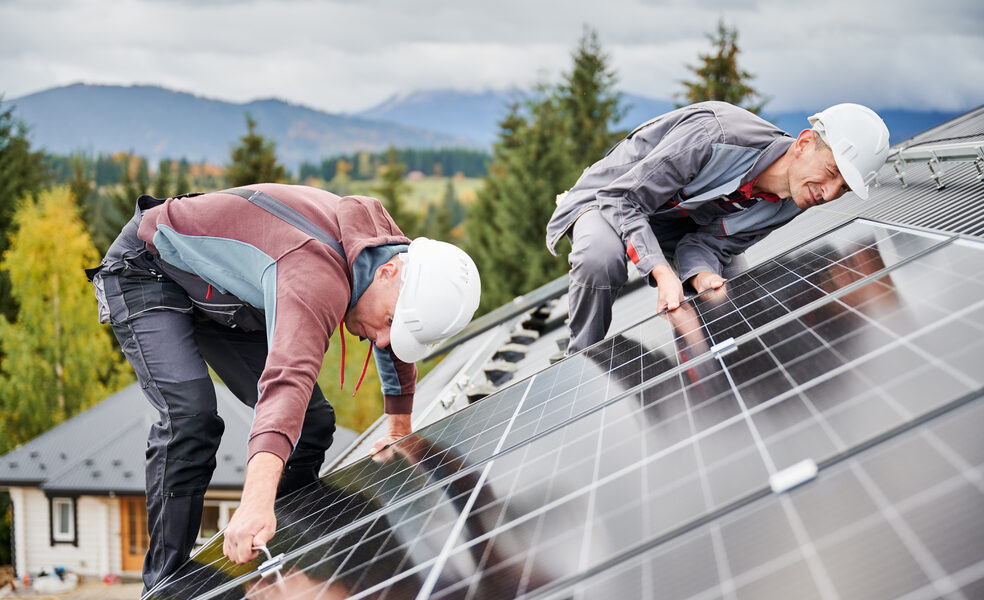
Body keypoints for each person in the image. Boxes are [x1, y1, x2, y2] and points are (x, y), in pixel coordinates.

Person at [88, 183, 481, 590]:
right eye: (389, 323)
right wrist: (254, 501)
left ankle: (290, 532)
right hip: (149, 268)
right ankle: (166, 582)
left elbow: (396, 328)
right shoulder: (316, 273)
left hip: (226, 293)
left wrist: (400, 427)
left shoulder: (387, 255)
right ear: (388, 273)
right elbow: (285, 381)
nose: (383, 340)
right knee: (192, 415)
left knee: (311, 423)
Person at [545, 101, 890, 357]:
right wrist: (662, 272)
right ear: (802, 144)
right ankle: (580, 359)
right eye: (831, 172)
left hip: (673, 225)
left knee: (732, 293)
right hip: (609, 199)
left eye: (842, 188)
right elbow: (623, 199)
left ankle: (706, 382)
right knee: (600, 257)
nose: (828, 193)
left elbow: (708, 245)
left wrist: (702, 278)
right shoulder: (715, 136)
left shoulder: (794, 196)